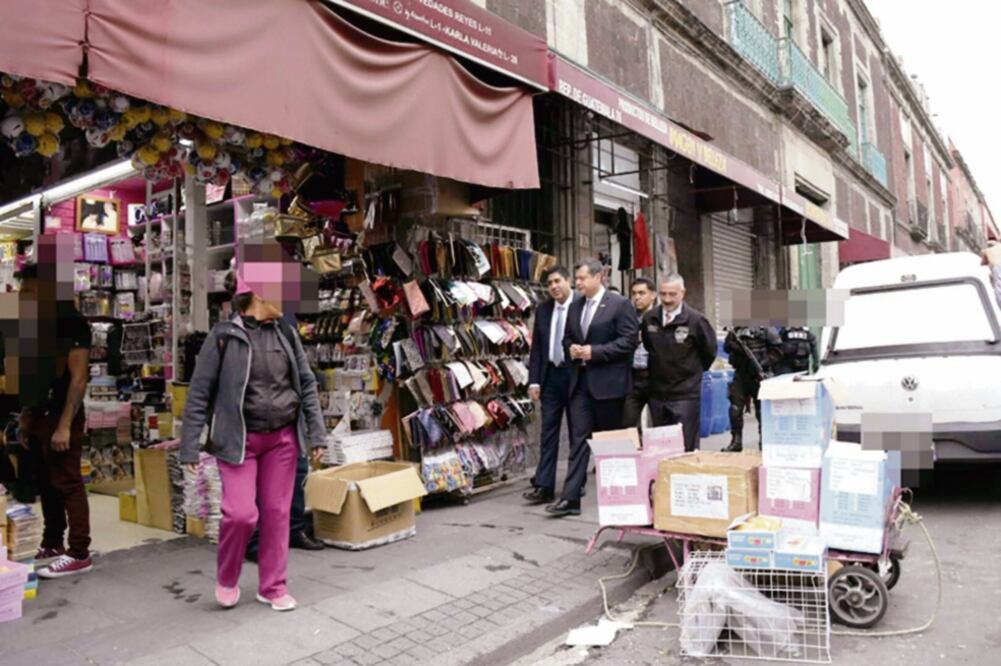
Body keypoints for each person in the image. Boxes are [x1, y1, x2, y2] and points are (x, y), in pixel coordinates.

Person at [181, 254, 326, 612]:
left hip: (282, 440)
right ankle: (227, 576)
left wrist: (318, 435)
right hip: (238, 442)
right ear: (258, 294)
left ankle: (273, 586)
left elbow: (306, 385)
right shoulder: (222, 338)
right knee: (241, 514)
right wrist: (188, 447)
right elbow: (199, 394)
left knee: (277, 513)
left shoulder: (287, 335)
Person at [14, 262, 94, 579]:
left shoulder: (73, 325)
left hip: (63, 417)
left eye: (30, 291)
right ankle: (53, 542)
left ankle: (79, 552)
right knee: (47, 482)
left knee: (68, 483)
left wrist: (64, 425)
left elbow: (78, 379)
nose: (25, 297)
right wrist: (25, 417)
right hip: (40, 416)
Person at [547, 259, 637, 517]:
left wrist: (594, 352)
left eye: (582, 278)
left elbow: (628, 341)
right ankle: (570, 498)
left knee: (612, 445)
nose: (578, 283)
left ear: (599, 277)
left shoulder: (619, 305)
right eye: (577, 279)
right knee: (579, 441)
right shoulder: (575, 306)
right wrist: (572, 350)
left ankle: (621, 497)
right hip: (581, 385)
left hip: (610, 386)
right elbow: (567, 338)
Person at [246, 313, 325, 562]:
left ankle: (294, 529)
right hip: (252, 425)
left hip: (288, 421)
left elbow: (306, 380)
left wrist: (317, 434)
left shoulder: (286, 330)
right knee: (258, 485)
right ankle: (256, 540)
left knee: (298, 474)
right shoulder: (235, 331)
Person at [524, 266, 580, 505]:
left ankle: (574, 486)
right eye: (549, 283)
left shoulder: (582, 305)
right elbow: (537, 348)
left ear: (569, 282)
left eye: (558, 281)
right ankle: (544, 485)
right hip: (551, 378)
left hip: (576, 377)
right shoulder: (544, 310)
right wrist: (534, 380)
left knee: (578, 434)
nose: (554, 287)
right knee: (548, 433)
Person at [641, 274, 716, 452]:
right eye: (663, 294)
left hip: (685, 394)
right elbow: (648, 345)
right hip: (657, 394)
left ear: (683, 293)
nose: (667, 299)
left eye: (672, 294)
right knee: (661, 447)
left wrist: (690, 373)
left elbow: (709, 352)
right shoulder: (650, 318)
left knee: (685, 447)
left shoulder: (696, 321)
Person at [723, 326, 783, 452]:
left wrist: (763, 363)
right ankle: (736, 441)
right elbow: (726, 347)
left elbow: (778, 352)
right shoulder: (735, 330)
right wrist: (734, 345)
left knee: (762, 411)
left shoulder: (766, 329)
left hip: (759, 374)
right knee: (735, 409)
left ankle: (764, 441)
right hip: (741, 374)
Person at [622, 277, 658, 429]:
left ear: (653, 295)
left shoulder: (660, 317)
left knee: (660, 426)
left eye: (642, 293)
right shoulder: (626, 317)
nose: (637, 297)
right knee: (627, 423)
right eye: (634, 293)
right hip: (633, 377)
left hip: (656, 377)